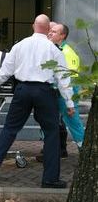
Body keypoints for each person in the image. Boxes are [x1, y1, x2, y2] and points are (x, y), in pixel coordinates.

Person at [0, 14, 74, 189]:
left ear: (33, 26)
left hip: (22, 90)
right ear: (48, 30)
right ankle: (50, 178)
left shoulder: (19, 46)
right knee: (52, 133)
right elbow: (63, 77)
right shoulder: (54, 49)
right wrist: (69, 104)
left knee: (10, 128)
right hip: (45, 92)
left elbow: (5, 70)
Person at [38, 23, 85, 156]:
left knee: (72, 120)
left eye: (53, 31)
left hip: (67, 88)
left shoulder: (67, 52)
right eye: (49, 30)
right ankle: (56, 149)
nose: (49, 33)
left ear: (62, 36)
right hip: (55, 89)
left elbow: (66, 77)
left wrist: (68, 98)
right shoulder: (53, 49)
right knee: (54, 120)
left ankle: (85, 150)